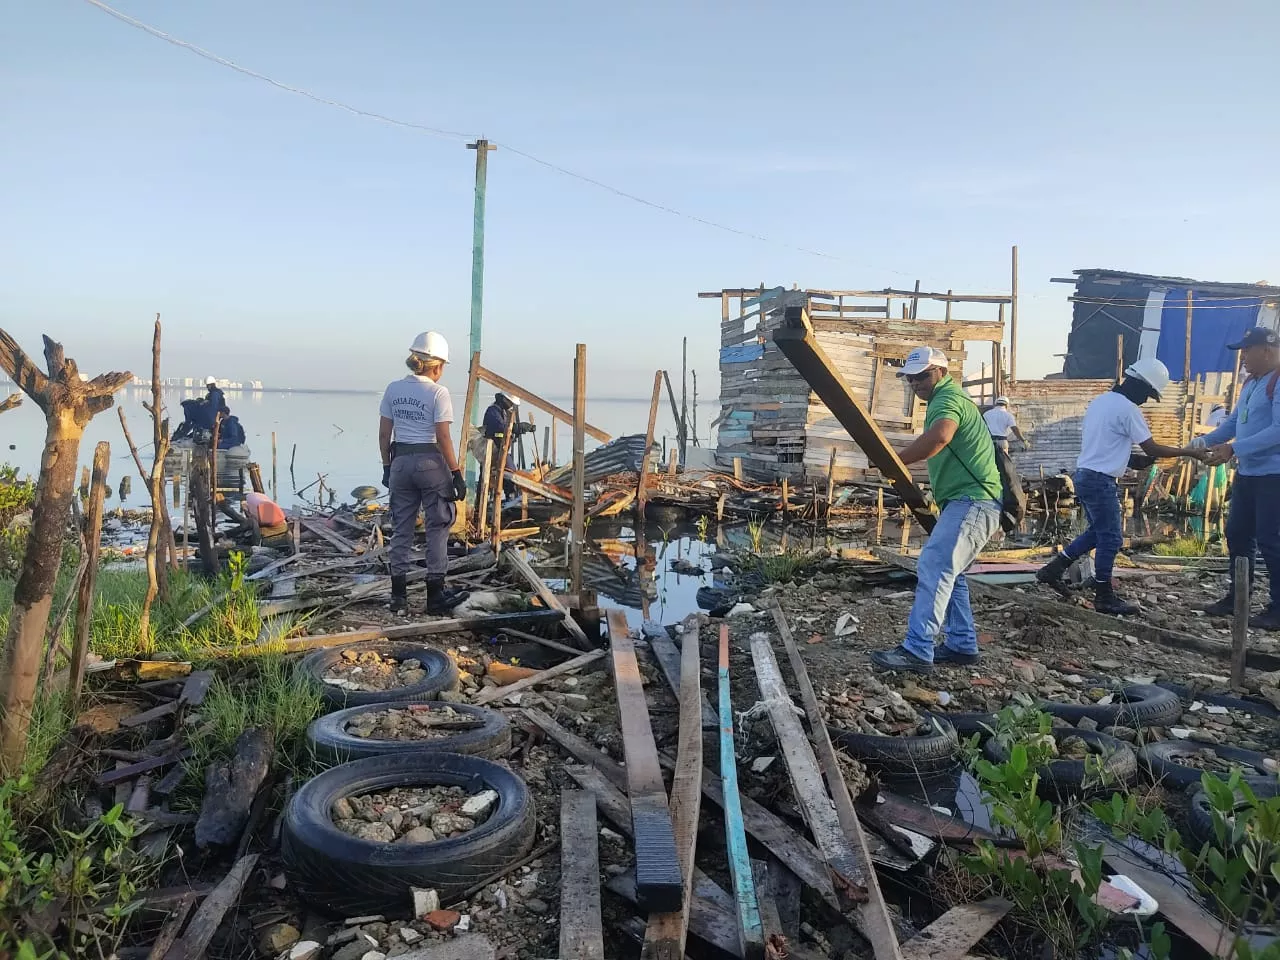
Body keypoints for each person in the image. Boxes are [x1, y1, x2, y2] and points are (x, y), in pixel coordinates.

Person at [869, 346, 1003, 674]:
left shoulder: (947, 398)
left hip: (973, 500)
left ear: (941, 372)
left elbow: (940, 437)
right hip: (971, 500)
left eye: (923, 375)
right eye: (911, 378)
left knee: (934, 565)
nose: (916, 383)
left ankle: (917, 650)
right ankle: (961, 645)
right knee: (950, 572)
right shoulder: (946, 399)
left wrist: (894, 461)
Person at [1036, 358, 1205, 615]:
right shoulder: (1127, 409)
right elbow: (1152, 447)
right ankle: (1104, 595)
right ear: (1139, 385)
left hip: (1086, 475)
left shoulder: (1101, 402)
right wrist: (1190, 452)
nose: (1146, 401)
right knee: (1112, 538)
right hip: (1099, 480)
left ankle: (1054, 569)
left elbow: (1106, 445)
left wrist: (1130, 459)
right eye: (1148, 395)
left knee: (1097, 533)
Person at [1193, 327, 1280, 629]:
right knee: (1238, 535)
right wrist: (1201, 443)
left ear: (1266, 350)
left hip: (1274, 475)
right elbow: (1232, 423)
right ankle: (1237, 597)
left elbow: (1278, 430)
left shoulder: (1278, 380)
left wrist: (1233, 449)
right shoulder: (1251, 383)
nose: (1242, 358)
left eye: (1246, 351)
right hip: (1249, 473)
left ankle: (1278, 606)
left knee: (1272, 540)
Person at [378, 331, 470, 616]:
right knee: (437, 527)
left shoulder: (393, 389)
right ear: (438, 365)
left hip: (400, 462)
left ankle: (398, 598)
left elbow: (384, 434)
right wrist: (455, 473)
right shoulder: (438, 393)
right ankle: (435, 595)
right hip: (430, 462)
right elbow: (443, 436)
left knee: (401, 529)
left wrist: (386, 467)